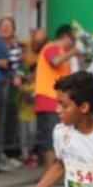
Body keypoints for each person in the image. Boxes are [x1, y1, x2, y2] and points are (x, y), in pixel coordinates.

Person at [32, 24, 79, 169]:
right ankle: (50, 172)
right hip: (48, 100)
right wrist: (73, 52)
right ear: (65, 37)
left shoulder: (61, 52)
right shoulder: (51, 47)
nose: (74, 41)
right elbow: (55, 61)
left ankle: (56, 171)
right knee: (50, 138)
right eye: (73, 38)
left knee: (58, 137)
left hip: (57, 101)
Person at [0, 16, 24, 171]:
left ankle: (4, 153)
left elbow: (18, 65)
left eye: (8, 25)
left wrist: (18, 74)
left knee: (8, 120)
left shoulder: (16, 45)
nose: (5, 28)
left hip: (10, 85)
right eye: (2, 25)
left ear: (14, 29)